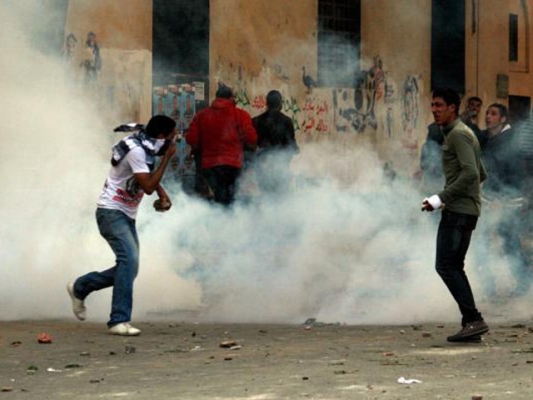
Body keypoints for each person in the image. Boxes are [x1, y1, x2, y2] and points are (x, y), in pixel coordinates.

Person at [67, 115, 177, 336]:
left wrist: (163, 194)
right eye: (172, 138)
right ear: (161, 136)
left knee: (129, 268)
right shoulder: (137, 150)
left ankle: (81, 286)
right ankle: (119, 320)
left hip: (125, 215)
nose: (173, 142)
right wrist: (167, 158)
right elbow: (147, 186)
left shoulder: (145, 147)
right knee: (129, 261)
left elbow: (145, 175)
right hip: (111, 213)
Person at [421, 88, 489, 343]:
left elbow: (472, 173)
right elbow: (482, 173)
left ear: (452, 107)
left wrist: (441, 198)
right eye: (432, 105)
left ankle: (473, 319)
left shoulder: (458, 135)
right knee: (453, 266)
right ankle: (470, 323)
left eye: (439, 105)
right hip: (466, 210)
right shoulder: (462, 133)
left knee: (445, 266)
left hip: (458, 212)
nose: (434, 110)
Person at [479, 104, 531, 297]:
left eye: (493, 114)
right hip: (491, 196)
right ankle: (489, 285)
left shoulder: (510, 140)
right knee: (485, 239)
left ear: (502, 119)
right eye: (487, 113)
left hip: (508, 198)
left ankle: (523, 281)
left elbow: (515, 172)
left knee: (509, 240)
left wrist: (501, 199)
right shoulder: (488, 138)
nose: (488, 117)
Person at [186, 84, 257, 205]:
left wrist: (199, 148)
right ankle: (228, 213)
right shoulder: (241, 115)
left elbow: (191, 138)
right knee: (230, 195)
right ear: (231, 98)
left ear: (217, 97)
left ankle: (219, 212)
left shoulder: (201, 115)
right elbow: (251, 138)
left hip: (209, 165)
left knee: (217, 194)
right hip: (233, 165)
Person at [252, 90, 299, 194]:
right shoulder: (286, 121)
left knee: (266, 196)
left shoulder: (256, 121)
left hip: (262, 166)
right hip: (280, 167)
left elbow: (252, 144)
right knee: (280, 197)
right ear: (280, 103)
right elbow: (290, 145)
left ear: (267, 103)